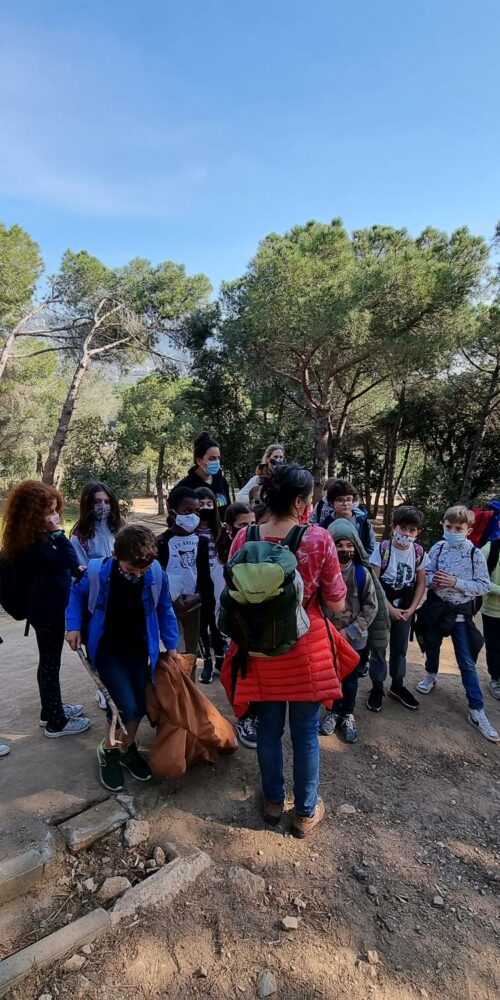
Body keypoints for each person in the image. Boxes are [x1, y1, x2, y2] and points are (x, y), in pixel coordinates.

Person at [221, 464, 349, 838]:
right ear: (298, 502)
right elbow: (337, 603)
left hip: (260, 649)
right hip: (306, 649)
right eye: (308, 500)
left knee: (268, 729)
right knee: (306, 734)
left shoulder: (244, 536)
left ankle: (273, 802)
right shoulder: (319, 539)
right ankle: (305, 812)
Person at [66, 524, 179, 790]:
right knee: (123, 706)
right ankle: (109, 751)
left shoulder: (155, 573)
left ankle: (127, 747)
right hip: (107, 650)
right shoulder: (97, 572)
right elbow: (76, 595)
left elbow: (165, 609)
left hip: (139, 650)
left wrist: (172, 646)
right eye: (131, 570)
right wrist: (73, 626)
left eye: (142, 571)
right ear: (115, 555)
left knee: (140, 705)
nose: (137, 575)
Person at [1, 480, 90, 737]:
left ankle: (49, 710)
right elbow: (70, 559)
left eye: (55, 510)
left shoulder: (35, 539)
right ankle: (56, 722)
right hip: (47, 612)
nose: (54, 516)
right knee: (50, 665)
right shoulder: (34, 546)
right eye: (49, 512)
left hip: (49, 609)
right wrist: (59, 533)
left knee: (49, 663)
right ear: (32, 514)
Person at [415, 505, 498, 743]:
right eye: (448, 527)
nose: (452, 531)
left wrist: (456, 582)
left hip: (460, 614)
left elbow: (483, 585)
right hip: (436, 610)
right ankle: (430, 674)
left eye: (458, 528)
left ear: (468, 530)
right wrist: (434, 580)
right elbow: (426, 574)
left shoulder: (475, 554)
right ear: (443, 525)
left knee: (466, 661)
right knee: (431, 644)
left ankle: (477, 709)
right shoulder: (438, 548)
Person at [320, 519, 380, 743]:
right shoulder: (322, 573)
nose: (344, 550)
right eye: (339, 545)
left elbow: (371, 607)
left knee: (350, 679)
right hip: (328, 636)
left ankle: (347, 714)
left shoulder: (362, 573)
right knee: (332, 676)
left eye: (349, 545)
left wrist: (351, 631)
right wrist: (328, 631)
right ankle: (332, 711)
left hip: (355, 639)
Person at [367, 506, 428, 712]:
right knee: (378, 647)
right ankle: (377, 687)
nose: (407, 534)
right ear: (394, 527)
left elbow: (421, 583)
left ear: (418, 532)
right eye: (403, 528)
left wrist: (412, 608)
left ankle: (397, 686)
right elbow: (375, 582)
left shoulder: (419, 553)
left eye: (412, 530)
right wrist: (389, 608)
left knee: (400, 649)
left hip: (406, 608)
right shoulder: (383, 550)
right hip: (383, 606)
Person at [212, 502, 258, 748]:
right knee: (236, 673)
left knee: (256, 671)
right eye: (243, 525)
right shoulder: (221, 560)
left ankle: (255, 712)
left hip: (255, 626)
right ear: (229, 528)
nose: (249, 530)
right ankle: (244, 716)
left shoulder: (260, 553)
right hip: (232, 626)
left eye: (253, 524)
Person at [156, 487, 211, 673]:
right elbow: (158, 576)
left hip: (193, 606)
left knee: (189, 656)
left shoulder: (201, 542)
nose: (193, 516)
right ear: (172, 510)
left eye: (196, 512)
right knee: (172, 655)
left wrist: (198, 596)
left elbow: (205, 577)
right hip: (168, 608)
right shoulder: (160, 543)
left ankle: (189, 687)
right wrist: (171, 599)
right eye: (187, 511)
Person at [193, 486, 225, 684]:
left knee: (216, 622)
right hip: (197, 582)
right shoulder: (190, 531)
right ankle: (206, 661)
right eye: (201, 504)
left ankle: (220, 659)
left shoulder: (220, 530)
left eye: (209, 503)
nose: (205, 507)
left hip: (217, 583)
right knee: (201, 624)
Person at [174, 430, 231, 518]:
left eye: (218, 458)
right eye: (212, 458)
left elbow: (228, 510)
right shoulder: (186, 486)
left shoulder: (221, 481)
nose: (216, 462)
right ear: (199, 461)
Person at [311, 479, 376, 554]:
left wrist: (364, 560)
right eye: (340, 500)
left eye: (348, 499)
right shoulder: (326, 523)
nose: (345, 504)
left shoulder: (362, 521)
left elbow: (371, 547)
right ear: (332, 503)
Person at [70, 482, 123, 566]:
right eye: (97, 501)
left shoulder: (120, 528)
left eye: (107, 502)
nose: (103, 505)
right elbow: (82, 567)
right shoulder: (80, 536)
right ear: (88, 503)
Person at [480, 537, 500, 700]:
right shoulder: (489, 550)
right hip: (493, 610)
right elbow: (479, 579)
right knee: (495, 646)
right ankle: (496, 679)